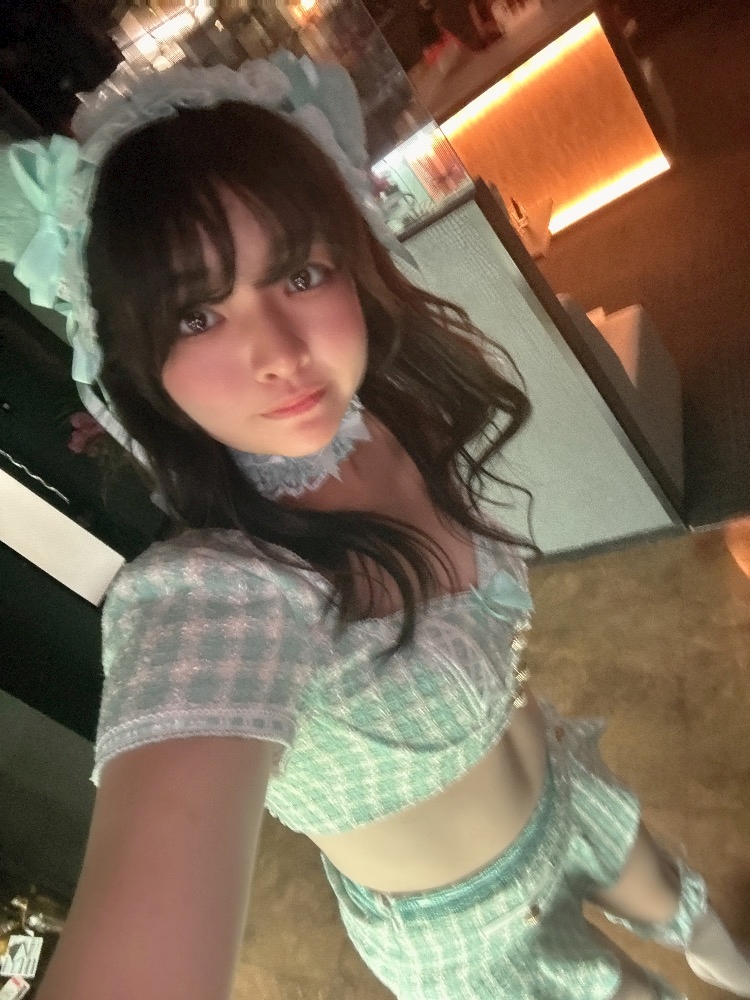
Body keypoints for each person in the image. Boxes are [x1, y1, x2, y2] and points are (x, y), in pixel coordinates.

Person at [2, 55, 748, 1000]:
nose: (280, 354)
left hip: (568, 789)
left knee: (707, 932)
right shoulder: (218, 597)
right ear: (134, 362)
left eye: (300, 272)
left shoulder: (381, 418)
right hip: (470, 938)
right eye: (196, 316)